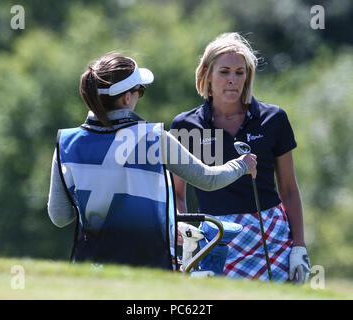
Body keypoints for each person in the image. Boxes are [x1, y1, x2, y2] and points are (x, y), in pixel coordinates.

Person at [47, 53, 257, 269]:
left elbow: (60, 217)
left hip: (92, 268)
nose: (140, 96)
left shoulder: (66, 143)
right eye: (140, 91)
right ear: (126, 98)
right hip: (150, 264)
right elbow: (208, 179)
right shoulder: (153, 137)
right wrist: (242, 164)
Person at [170, 33, 311, 282]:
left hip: (271, 235)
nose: (232, 80)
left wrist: (299, 246)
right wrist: (183, 227)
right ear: (207, 75)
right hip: (215, 235)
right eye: (224, 72)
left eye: (240, 72)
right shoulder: (186, 125)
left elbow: (289, 189)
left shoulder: (274, 119)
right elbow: (177, 194)